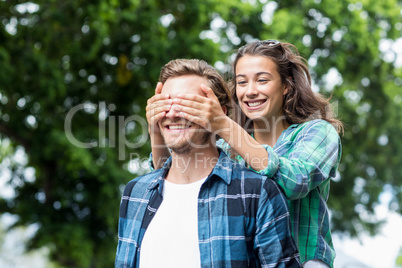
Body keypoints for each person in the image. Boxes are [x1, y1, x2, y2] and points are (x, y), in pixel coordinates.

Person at [147, 41, 343, 268]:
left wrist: (223, 124)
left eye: (262, 80)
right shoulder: (229, 150)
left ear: (286, 85)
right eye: (242, 82)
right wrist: (155, 129)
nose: (250, 91)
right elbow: (168, 182)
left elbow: (295, 181)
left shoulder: (317, 132)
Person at [116, 59, 301, 268]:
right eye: (165, 104)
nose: (174, 113)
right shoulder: (136, 193)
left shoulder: (257, 194)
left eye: (189, 105)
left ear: (219, 113)